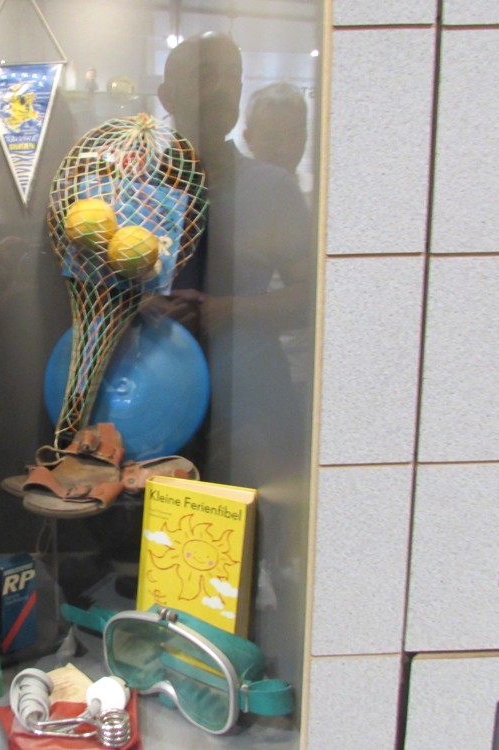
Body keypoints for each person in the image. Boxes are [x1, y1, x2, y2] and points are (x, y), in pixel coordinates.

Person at [154, 32, 313, 489]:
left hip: (251, 404)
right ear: (167, 95)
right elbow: (93, 296)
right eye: (205, 75)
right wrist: (141, 308)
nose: (223, 89)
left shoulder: (272, 189)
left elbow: (310, 300)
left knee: (252, 522)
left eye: (233, 77)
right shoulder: (134, 185)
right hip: (153, 399)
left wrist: (230, 312)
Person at [243, 81, 309, 176]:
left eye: (294, 135)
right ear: (248, 139)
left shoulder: (320, 183)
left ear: (305, 136)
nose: (285, 148)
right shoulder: (234, 185)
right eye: (272, 137)